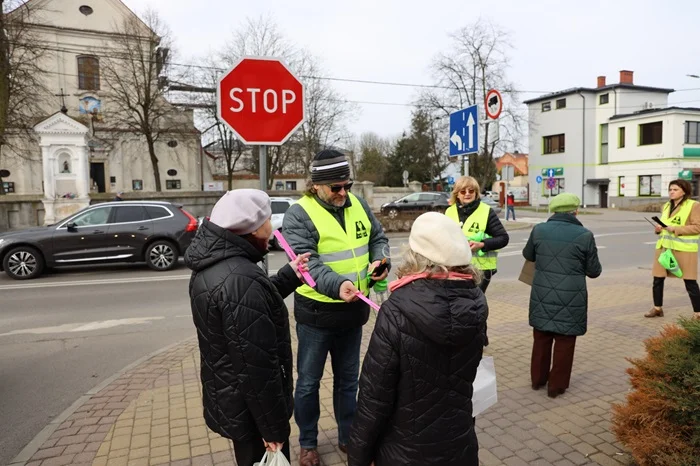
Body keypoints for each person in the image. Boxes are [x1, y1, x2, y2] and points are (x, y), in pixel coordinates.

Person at [347, 212, 487, 466]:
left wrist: (358, 458)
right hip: (460, 444)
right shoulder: (476, 303)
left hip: (404, 452)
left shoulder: (397, 310)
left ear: (415, 257)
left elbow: (374, 398)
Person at [184, 189, 310, 466]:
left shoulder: (214, 266)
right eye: (266, 222)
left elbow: (247, 309)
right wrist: (273, 428)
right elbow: (256, 367)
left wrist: (289, 276)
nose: (271, 229)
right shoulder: (242, 278)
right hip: (254, 412)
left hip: (234, 401)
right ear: (250, 229)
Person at [283, 149, 390, 466]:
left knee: (349, 382)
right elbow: (308, 264)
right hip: (316, 316)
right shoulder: (298, 214)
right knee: (307, 383)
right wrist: (337, 285)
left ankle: (348, 437)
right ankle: (308, 443)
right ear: (316, 185)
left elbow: (378, 237)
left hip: (353, 313)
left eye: (347, 185)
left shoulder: (357, 203)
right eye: (336, 187)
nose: (344, 192)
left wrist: (380, 260)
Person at [522, 192, 602, 398]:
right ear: (575, 211)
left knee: (541, 338)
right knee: (565, 342)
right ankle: (556, 387)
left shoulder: (539, 230)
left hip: (542, 293)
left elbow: (528, 255)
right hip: (571, 296)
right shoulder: (585, 235)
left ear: (553, 211)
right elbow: (594, 271)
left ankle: (537, 380)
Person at [645, 179, 700, 320]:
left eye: (675, 189)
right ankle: (657, 308)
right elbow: (663, 228)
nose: (671, 192)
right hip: (664, 248)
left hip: (684, 249)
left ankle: (698, 313)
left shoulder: (694, 206)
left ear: (684, 191)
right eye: (670, 189)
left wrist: (675, 229)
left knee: (690, 281)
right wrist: (658, 230)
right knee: (657, 279)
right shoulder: (666, 206)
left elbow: (697, 227)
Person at [445, 176, 509, 293]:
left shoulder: (486, 211)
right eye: (463, 191)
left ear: (476, 193)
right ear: (457, 194)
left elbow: (503, 238)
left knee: (474, 305)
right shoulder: (449, 211)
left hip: (480, 270)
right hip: (454, 266)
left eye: (471, 191)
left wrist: (482, 245)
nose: (467, 194)